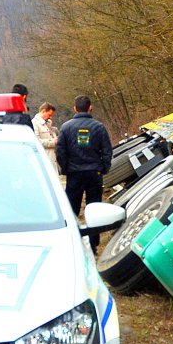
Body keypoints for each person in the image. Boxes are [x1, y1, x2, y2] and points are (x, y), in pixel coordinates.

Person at [56, 95, 112, 252]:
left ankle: (72, 241)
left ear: (74, 108)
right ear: (90, 108)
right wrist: (103, 168)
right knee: (94, 208)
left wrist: (66, 169)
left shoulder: (66, 127)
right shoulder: (99, 127)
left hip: (74, 174)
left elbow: (60, 151)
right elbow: (107, 151)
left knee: (72, 209)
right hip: (94, 173)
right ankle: (93, 244)